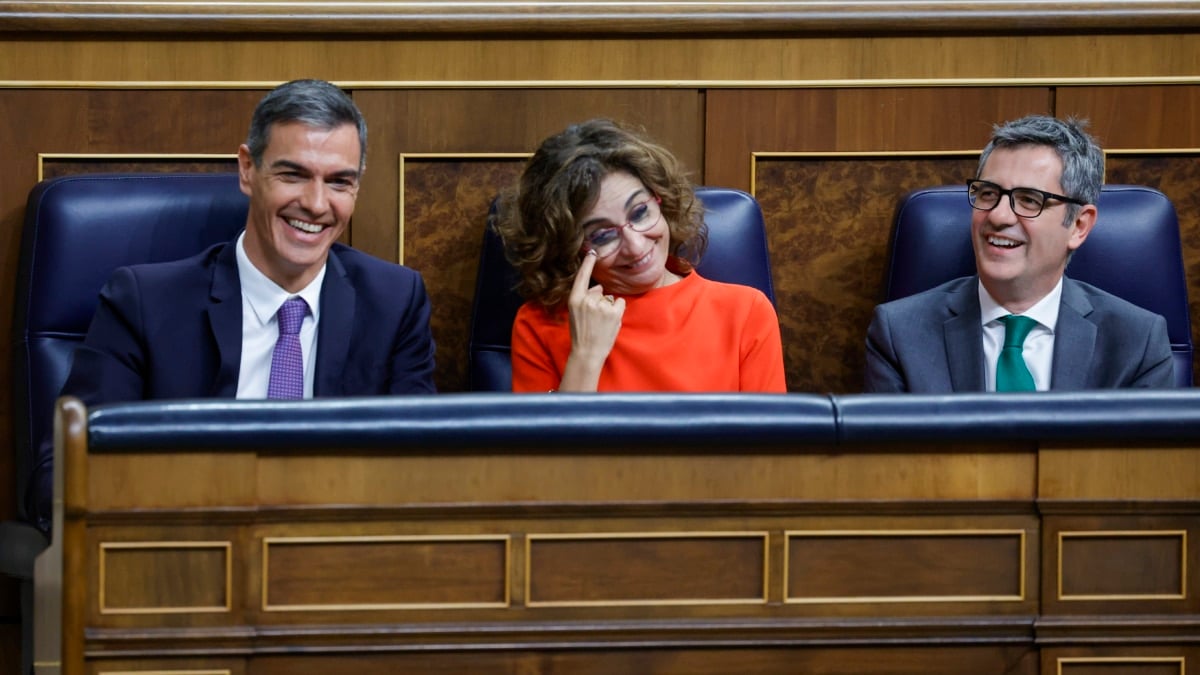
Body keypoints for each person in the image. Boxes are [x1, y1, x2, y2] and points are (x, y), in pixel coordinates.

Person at [26, 79, 436, 531]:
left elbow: (418, 473)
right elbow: (61, 479)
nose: (317, 204)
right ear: (247, 170)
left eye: (339, 182)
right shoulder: (146, 303)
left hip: (332, 563)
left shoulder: (394, 302)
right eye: (293, 175)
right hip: (182, 558)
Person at [864, 114, 1173, 393]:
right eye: (988, 193)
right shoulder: (899, 334)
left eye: (1029, 200)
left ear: (1079, 225)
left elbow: (1139, 458)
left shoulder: (1137, 342)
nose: (998, 216)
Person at [496, 118, 786, 393]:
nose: (635, 246)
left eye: (640, 212)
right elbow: (549, 446)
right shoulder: (538, 324)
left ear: (662, 200)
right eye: (602, 235)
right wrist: (585, 356)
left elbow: (771, 444)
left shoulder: (746, 312)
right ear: (567, 248)